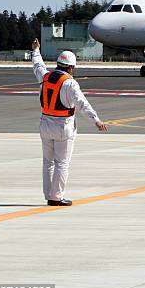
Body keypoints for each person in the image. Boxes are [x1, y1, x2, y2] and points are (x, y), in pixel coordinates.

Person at [31, 38, 108, 206]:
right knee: (62, 164)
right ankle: (56, 197)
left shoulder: (44, 77)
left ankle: (49, 195)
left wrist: (36, 51)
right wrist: (96, 119)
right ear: (71, 67)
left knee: (48, 163)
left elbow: (38, 66)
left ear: (58, 64)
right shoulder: (70, 83)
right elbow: (82, 104)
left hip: (45, 124)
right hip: (62, 127)